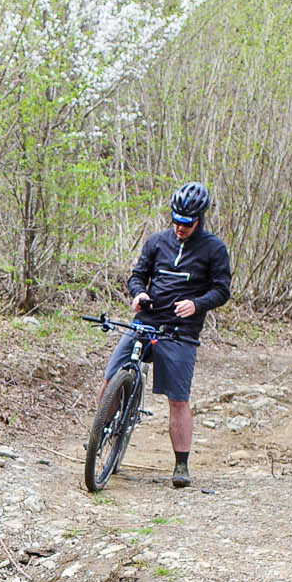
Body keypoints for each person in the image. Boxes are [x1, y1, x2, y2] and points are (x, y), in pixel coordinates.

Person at [122, 182, 232, 488]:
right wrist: (138, 293)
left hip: (181, 328)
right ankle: (100, 434)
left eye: (186, 223)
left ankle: (181, 464)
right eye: (175, 220)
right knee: (111, 375)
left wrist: (196, 304)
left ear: (199, 219)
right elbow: (137, 275)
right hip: (147, 318)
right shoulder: (157, 242)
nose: (179, 227)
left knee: (178, 399)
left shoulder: (214, 249)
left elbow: (222, 290)